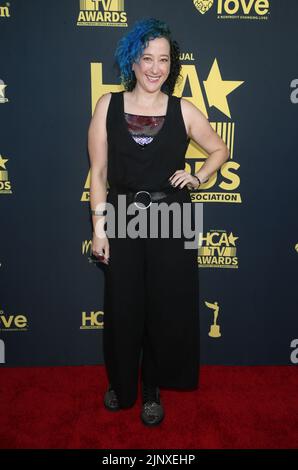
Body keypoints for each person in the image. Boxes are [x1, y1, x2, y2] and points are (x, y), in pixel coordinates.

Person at [88, 18, 229, 427]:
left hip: (173, 217)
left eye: (163, 59)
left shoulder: (183, 109)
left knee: (164, 308)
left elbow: (218, 148)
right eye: (147, 58)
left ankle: (152, 387)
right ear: (132, 61)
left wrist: (199, 176)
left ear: (172, 65)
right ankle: (121, 384)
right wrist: (99, 229)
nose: (155, 68)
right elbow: (98, 172)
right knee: (123, 307)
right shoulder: (107, 106)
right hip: (123, 216)